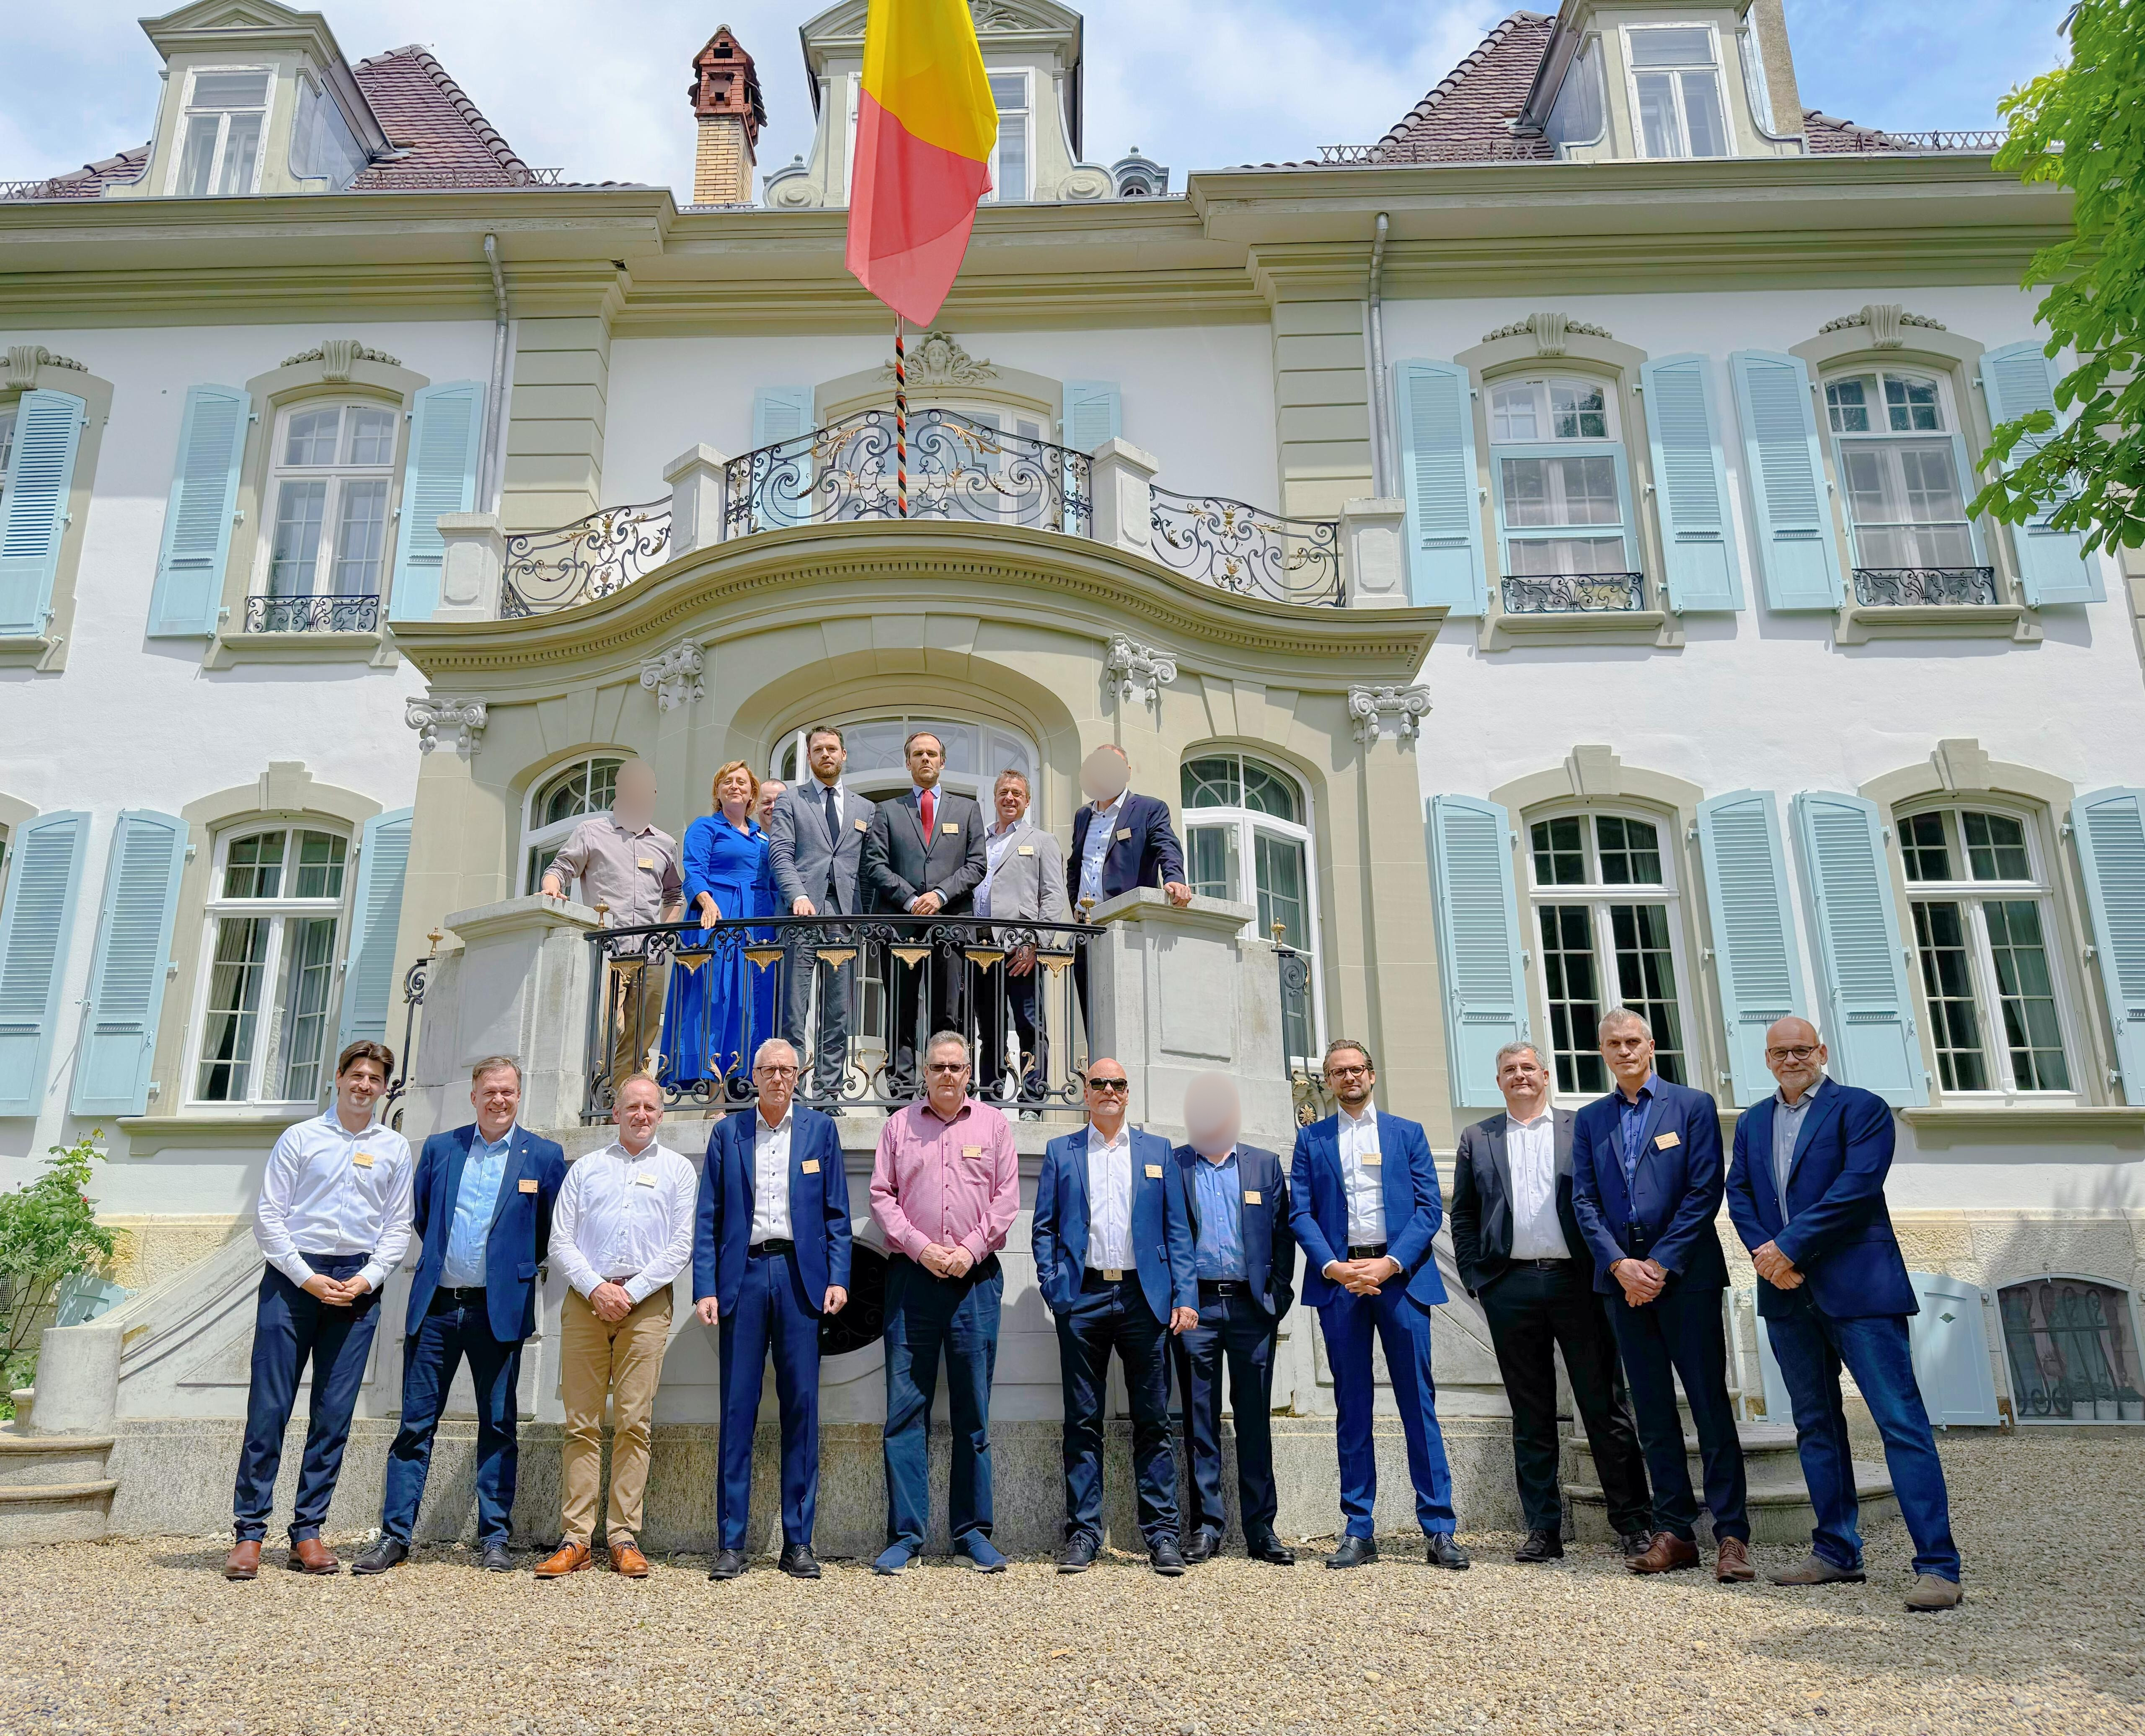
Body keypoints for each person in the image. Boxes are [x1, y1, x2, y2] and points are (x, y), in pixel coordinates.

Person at [1725, 1017, 1962, 1612]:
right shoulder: (1754, 1121)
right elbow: (1740, 1195)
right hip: (1786, 1292)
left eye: (1801, 1049)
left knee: (1900, 1425)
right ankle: (1836, 1552)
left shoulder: (1862, 1109)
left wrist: (1788, 1248)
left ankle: (1938, 1566)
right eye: (1780, 1052)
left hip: (1860, 1290)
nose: (1791, 1060)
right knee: (1816, 1427)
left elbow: (1856, 1190)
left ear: (1822, 1052)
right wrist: (1766, 1256)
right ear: (1767, 1059)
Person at [357, 1057, 566, 1576]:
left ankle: (494, 1537)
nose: (500, 1100)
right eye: (491, 1091)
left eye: (509, 1092)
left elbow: (546, 1231)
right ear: (473, 1095)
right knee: (413, 1426)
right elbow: (423, 1216)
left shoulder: (543, 1155)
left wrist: (505, 1269)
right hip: (436, 1309)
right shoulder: (440, 1149)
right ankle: (395, 1535)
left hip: (499, 1311)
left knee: (499, 1425)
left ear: (520, 1096)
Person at [1450, 1041, 1652, 1564]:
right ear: (1498, 1081)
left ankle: (1633, 1523)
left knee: (1603, 1406)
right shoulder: (1478, 1137)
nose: (1518, 1076)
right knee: (1531, 1413)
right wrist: (1477, 1278)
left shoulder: (1579, 1128)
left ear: (1545, 1075)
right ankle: (1542, 1529)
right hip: (1509, 1286)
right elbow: (1465, 1214)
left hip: (1578, 1283)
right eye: (1508, 1070)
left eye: (1527, 1068)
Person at [1571, 1008, 1752, 1582]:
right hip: (1622, 1287)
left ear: (1652, 1045)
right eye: (1613, 1044)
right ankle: (1674, 1531)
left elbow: (1703, 1193)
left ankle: (1731, 1536)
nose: (1624, 1051)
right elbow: (1584, 1202)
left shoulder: (1692, 1106)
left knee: (1708, 1406)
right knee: (1652, 1412)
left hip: (1686, 1280)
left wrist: (1659, 1265)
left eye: (1633, 1041)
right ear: (1602, 1052)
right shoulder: (1591, 1119)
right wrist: (1622, 1266)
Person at [225, 1041, 413, 1580]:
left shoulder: (394, 1149)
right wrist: (307, 1278)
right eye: (357, 1075)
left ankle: (307, 1529)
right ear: (338, 1078)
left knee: (333, 1416)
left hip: (357, 1286)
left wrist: (365, 1279)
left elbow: (397, 1226)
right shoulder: (301, 1138)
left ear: (384, 1087)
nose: (364, 1086)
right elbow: (269, 1217)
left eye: (375, 1079)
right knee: (269, 1409)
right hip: (293, 1280)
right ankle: (249, 1532)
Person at [1289, 1038, 1470, 1571]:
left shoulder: (1406, 1133)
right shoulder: (1311, 1140)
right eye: (1337, 1071)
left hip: (1400, 1279)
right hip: (1341, 1281)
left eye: (1355, 1069)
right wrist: (1336, 1267)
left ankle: (1438, 1529)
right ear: (1327, 1080)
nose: (1348, 1077)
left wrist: (1389, 1264)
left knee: (1419, 1403)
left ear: (1371, 1074)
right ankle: (1358, 1527)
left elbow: (1426, 1208)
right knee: (1352, 1406)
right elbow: (1300, 1212)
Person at [1031, 1057, 1198, 1575]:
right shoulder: (1062, 1152)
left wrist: (1184, 1295)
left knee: (1152, 1420)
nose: (1108, 1090)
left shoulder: (1156, 1151)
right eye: (1099, 1082)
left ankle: (1162, 1535)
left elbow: (1178, 1231)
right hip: (1081, 1299)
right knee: (1082, 1420)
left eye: (1117, 1084)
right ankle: (1083, 1533)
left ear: (1128, 1094)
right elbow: (1044, 1228)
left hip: (1142, 1299)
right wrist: (1054, 1286)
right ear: (1086, 1092)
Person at [694, 1039, 852, 1582]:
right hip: (743, 1278)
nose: (779, 1078)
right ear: (754, 1076)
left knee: (802, 1409)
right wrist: (705, 1287)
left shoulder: (819, 1132)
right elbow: (708, 1219)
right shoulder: (727, 1134)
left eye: (788, 1070)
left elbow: (837, 1215)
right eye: (769, 1070)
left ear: (798, 1075)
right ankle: (732, 1542)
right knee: (737, 1409)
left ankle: (799, 1542)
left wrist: (839, 1277)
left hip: (800, 1279)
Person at [867, 1033, 1018, 1573]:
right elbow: (882, 1196)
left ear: (970, 1072)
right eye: (939, 1067)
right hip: (912, 1282)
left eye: (956, 1066)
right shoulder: (899, 1127)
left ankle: (973, 1532)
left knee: (972, 1412)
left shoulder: (994, 1126)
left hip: (975, 1284)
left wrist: (970, 1250)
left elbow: (1007, 1201)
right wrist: (922, 1247)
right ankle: (906, 1535)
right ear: (925, 1074)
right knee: (906, 1412)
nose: (948, 1075)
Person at [536, 1074, 696, 1579]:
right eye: (632, 1106)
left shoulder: (677, 1171)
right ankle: (576, 1537)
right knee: (581, 1423)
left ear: (661, 1115)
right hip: (586, 1302)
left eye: (650, 1107)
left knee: (634, 1422)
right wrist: (597, 1288)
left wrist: (630, 1292)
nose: (641, 1115)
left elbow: (681, 1245)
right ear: (615, 1114)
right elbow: (559, 1240)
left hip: (645, 1305)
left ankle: (623, 1535)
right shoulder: (586, 1169)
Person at [1169, 1072, 1296, 1565]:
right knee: (1199, 1419)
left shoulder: (1264, 1166)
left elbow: (1283, 1237)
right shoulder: (1175, 1164)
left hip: (1250, 1307)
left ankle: (1261, 1528)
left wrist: (1276, 1298)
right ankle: (1206, 1525)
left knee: (1253, 1420)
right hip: (1195, 1309)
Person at [541, 759, 683, 1087]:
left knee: (642, 1032)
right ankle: (598, 1091)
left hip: (652, 954)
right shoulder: (591, 832)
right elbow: (561, 867)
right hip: (608, 950)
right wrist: (552, 885)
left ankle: (620, 1097)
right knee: (606, 1027)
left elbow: (674, 895)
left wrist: (664, 933)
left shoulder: (665, 843)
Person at [859, 731, 987, 1089]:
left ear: (943, 762)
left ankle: (948, 1085)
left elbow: (977, 864)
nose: (926, 759)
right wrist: (912, 899)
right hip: (902, 925)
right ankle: (900, 1089)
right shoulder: (888, 810)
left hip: (951, 924)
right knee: (901, 1009)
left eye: (932, 754)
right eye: (918, 754)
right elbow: (876, 864)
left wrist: (941, 895)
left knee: (949, 1012)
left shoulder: (967, 809)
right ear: (908, 762)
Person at [767, 723, 876, 1109]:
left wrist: (864, 918)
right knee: (795, 1012)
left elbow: (867, 869)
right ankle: (791, 1093)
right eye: (818, 750)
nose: (826, 755)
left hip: (844, 919)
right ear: (810, 758)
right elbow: (780, 853)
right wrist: (797, 895)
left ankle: (829, 1092)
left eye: (832, 749)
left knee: (838, 1012)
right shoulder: (791, 801)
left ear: (844, 755)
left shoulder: (866, 808)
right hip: (802, 918)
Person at [664, 760, 779, 1095]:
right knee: (714, 998)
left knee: (752, 1000)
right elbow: (693, 868)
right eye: (727, 781)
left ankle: (746, 1081)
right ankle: (712, 1088)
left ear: (752, 795)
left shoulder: (762, 837)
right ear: (718, 791)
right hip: (717, 919)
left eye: (742, 782)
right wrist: (706, 899)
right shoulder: (706, 827)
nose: (735, 786)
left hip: (757, 925)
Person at [972, 767, 1070, 1117]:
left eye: (1016, 793)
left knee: (1030, 1026)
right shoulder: (979, 841)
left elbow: (1053, 897)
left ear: (1027, 801)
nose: (1009, 798)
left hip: (1020, 949)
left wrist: (1036, 943)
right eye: (1003, 792)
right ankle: (992, 1103)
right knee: (989, 1030)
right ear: (994, 798)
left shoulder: (1042, 841)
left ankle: (1032, 1102)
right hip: (980, 949)